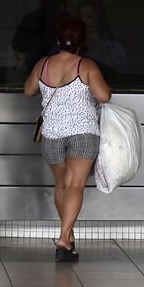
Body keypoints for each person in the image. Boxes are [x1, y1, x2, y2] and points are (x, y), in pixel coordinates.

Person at [23, 17, 111, 262]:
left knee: (61, 186)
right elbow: (104, 96)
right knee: (75, 186)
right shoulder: (87, 66)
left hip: (52, 135)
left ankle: (68, 240)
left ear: (57, 40)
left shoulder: (44, 64)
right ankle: (63, 239)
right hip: (83, 134)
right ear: (83, 42)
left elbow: (29, 90)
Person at [77, 0, 127, 75]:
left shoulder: (114, 47)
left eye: (90, 17)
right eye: (81, 17)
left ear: (99, 19)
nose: (85, 21)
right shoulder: (69, 45)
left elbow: (118, 72)